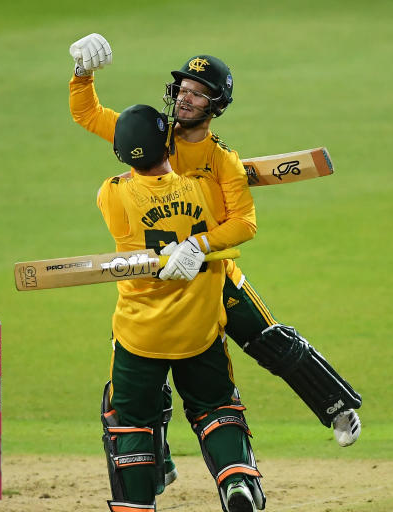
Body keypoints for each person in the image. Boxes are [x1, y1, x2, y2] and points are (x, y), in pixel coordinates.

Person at [69, 34, 362, 479]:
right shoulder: (148, 135)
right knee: (141, 375)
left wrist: (199, 245)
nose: (185, 99)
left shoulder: (221, 160)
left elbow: (245, 223)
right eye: (182, 90)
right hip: (155, 281)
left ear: (215, 104)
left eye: (197, 93)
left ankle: (337, 406)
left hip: (212, 273)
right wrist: (81, 72)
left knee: (270, 340)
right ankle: (158, 462)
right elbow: (86, 112)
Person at [97, 104, 267, 512]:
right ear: (167, 145)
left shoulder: (112, 195)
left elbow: (131, 180)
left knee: (129, 421)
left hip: (141, 335)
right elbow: (237, 223)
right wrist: (200, 242)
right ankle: (236, 481)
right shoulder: (202, 192)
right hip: (199, 330)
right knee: (216, 408)